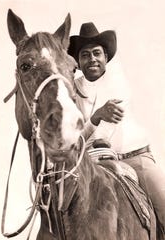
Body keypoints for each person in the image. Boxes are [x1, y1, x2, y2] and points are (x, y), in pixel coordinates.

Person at [68, 22, 165, 232]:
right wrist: (94, 117)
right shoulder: (73, 90)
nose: (92, 59)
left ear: (105, 58)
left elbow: (106, 125)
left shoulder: (117, 80)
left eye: (96, 53)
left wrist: (90, 130)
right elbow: (73, 138)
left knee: (164, 204)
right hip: (94, 164)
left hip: (135, 157)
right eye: (84, 55)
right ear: (77, 61)